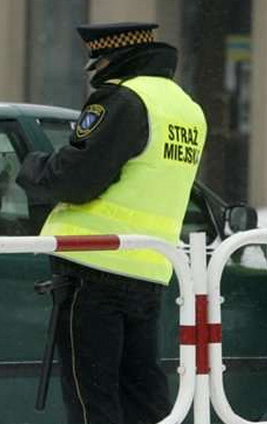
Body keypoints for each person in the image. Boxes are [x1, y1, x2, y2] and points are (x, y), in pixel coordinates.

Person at [16, 22, 206, 424]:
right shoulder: (187, 109)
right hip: (149, 267)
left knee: (93, 400)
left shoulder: (122, 99)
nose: (97, 74)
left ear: (113, 59)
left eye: (98, 63)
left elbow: (77, 178)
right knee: (143, 398)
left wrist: (33, 168)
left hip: (92, 266)